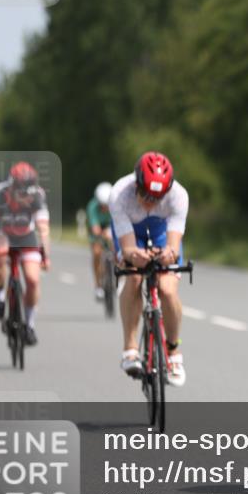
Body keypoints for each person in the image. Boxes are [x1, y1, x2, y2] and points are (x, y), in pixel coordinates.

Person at [110, 152, 189, 386]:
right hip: (130, 233)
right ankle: (130, 349)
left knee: (167, 288)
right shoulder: (119, 195)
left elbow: (173, 246)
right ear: (137, 184)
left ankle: (173, 352)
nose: (150, 202)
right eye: (145, 195)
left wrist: (168, 254)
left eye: (158, 197)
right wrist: (133, 255)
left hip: (161, 232)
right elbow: (127, 249)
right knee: (133, 277)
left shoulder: (179, 196)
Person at [0, 162, 51, 344]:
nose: (26, 197)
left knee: (33, 280)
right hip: (3, 233)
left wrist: (45, 255)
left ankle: (30, 324)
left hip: (26, 236)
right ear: (12, 188)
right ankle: (0, 296)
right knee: (0, 256)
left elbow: (43, 228)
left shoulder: (37, 196)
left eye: (29, 193)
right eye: (22, 193)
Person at [86, 181, 113, 301]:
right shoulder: (92, 207)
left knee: (118, 249)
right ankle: (98, 285)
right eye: (102, 205)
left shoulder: (115, 205)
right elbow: (95, 227)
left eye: (106, 205)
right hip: (97, 233)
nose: (105, 208)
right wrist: (101, 233)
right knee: (97, 253)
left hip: (110, 230)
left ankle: (118, 276)